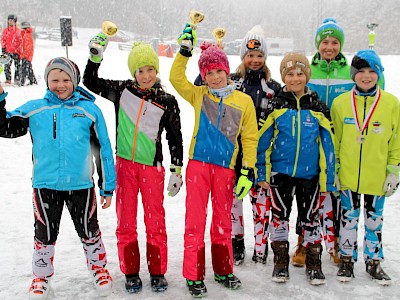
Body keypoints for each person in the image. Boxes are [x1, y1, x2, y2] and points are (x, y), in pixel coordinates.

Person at [0, 57, 116, 299]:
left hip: (81, 185)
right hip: (45, 185)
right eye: (54, 79)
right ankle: (41, 276)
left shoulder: (89, 110)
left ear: (74, 81)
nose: (60, 85)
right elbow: (4, 127)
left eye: (65, 79)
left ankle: (98, 268)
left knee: (89, 230)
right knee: (44, 233)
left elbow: (103, 148)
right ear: (46, 81)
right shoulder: (36, 108)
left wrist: (107, 187)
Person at [83, 37, 183, 294]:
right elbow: (90, 82)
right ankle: (130, 271)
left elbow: (175, 136)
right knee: (126, 221)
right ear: (133, 72)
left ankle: (158, 271)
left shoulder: (167, 101)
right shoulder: (123, 90)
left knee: (155, 221)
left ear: (156, 70)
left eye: (150, 69)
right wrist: (95, 56)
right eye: (140, 70)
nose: (146, 75)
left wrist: (176, 169)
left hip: (152, 168)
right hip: (125, 166)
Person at [170, 23, 258, 297]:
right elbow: (176, 79)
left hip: (225, 169)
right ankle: (194, 275)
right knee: (194, 223)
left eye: (220, 71)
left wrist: (248, 171)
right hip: (198, 166)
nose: (216, 77)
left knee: (222, 221)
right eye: (210, 73)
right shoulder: (199, 95)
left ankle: (223, 269)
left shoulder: (244, 102)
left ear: (227, 70)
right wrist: (184, 52)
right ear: (204, 76)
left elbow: (249, 139)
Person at [256, 52, 336, 285]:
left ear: (307, 75)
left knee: (310, 218)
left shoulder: (317, 106)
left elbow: (328, 144)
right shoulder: (276, 104)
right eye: (289, 74)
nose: (295, 78)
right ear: (283, 77)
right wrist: (261, 171)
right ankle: (280, 261)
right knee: (279, 217)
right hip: (280, 175)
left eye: (300, 73)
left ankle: (313, 261)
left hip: (310, 176)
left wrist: (329, 177)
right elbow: (262, 142)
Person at [332, 50, 399, 286]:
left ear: (379, 74)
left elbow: (397, 141)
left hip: (377, 177)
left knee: (374, 220)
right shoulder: (340, 104)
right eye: (361, 71)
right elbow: (335, 141)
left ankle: (374, 261)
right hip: (348, 176)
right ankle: (347, 260)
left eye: (372, 71)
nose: (367, 76)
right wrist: (336, 170)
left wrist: (393, 171)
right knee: (348, 219)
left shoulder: (391, 103)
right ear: (353, 74)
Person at [291, 18, 353, 267]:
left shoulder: (350, 73)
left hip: (339, 145)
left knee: (335, 196)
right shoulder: (308, 70)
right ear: (318, 44)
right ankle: (303, 243)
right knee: (307, 196)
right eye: (325, 42)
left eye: (335, 42)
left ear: (341, 45)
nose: (329, 46)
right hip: (308, 143)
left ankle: (335, 242)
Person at [230, 26, 281, 265]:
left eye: (259, 55)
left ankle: (261, 249)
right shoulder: (230, 82)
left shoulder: (275, 88)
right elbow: (202, 82)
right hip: (232, 156)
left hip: (261, 159)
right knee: (233, 206)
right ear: (243, 56)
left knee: (261, 208)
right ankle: (236, 245)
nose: (254, 60)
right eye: (250, 55)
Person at [1, 14, 21, 85]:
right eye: (9, 20)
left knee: (17, 66)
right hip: (7, 51)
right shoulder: (5, 30)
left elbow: (20, 41)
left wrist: (20, 50)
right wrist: (3, 48)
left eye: (12, 20)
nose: (10, 21)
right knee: (6, 66)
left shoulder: (18, 31)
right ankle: (8, 79)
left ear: (15, 21)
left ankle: (17, 79)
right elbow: (3, 39)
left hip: (16, 51)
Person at [19, 21, 37, 86]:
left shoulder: (26, 35)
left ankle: (22, 82)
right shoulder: (26, 34)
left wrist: (23, 55)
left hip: (26, 56)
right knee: (28, 69)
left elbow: (27, 47)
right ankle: (33, 81)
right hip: (27, 55)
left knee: (24, 69)